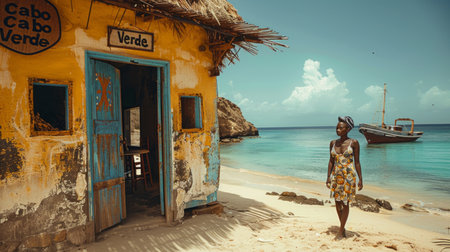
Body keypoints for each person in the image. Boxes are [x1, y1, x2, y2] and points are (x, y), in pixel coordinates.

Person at [326, 116, 363, 238]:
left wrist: (360, 179)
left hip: (348, 177)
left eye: (341, 128)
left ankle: (341, 230)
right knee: (337, 202)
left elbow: (357, 162)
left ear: (347, 129)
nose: (338, 130)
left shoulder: (354, 143)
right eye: (337, 128)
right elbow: (331, 161)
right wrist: (328, 177)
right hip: (336, 176)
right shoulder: (332, 143)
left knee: (345, 203)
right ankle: (342, 227)